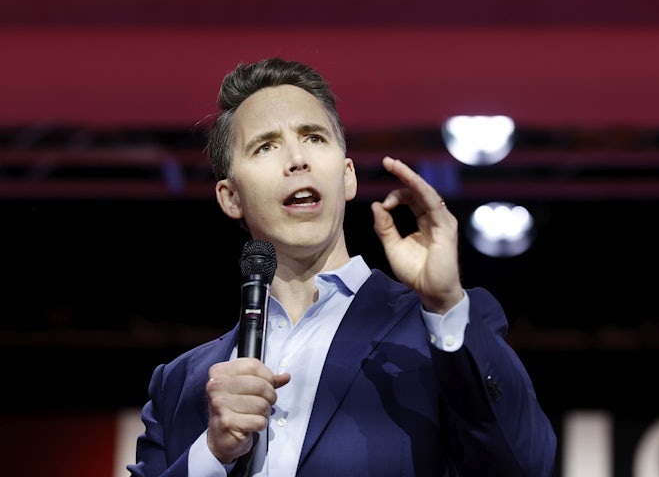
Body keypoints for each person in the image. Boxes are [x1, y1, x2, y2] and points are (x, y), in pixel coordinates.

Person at [128, 57, 557, 477]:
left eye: (314, 138)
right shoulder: (181, 383)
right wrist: (211, 454)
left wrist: (445, 304)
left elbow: (525, 464)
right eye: (266, 146)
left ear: (347, 175)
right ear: (230, 197)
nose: (297, 159)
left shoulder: (440, 327)